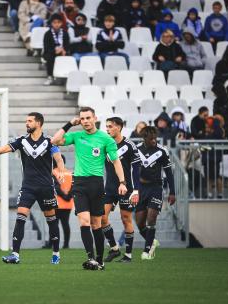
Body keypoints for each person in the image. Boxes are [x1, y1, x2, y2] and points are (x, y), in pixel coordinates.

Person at [0, 112, 65, 264]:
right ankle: (15, 254)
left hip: (46, 187)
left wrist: (61, 172)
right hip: (28, 187)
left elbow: (58, 159)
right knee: (21, 216)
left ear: (39, 123)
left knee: (51, 220)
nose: (26, 123)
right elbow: (2, 150)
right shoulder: (22, 141)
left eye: (30, 121)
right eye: (26, 121)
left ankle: (56, 253)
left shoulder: (50, 141)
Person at [52, 107, 128, 270]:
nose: (85, 121)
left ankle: (99, 260)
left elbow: (116, 162)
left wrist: (123, 182)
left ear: (95, 118)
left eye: (88, 118)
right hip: (79, 184)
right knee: (84, 221)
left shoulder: (106, 139)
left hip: (96, 184)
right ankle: (91, 258)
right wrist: (69, 124)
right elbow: (55, 141)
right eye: (82, 118)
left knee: (96, 224)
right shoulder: (77, 135)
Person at [102, 117, 140, 263]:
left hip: (127, 188)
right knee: (102, 218)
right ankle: (114, 248)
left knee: (126, 219)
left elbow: (136, 170)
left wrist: (136, 190)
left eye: (110, 126)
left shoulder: (130, 145)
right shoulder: (106, 144)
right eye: (106, 126)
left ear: (119, 127)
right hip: (109, 188)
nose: (107, 129)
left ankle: (128, 255)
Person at [135, 126, 175, 260]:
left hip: (156, 188)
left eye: (155, 138)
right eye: (151, 138)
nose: (154, 141)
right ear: (144, 138)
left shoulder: (162, 151)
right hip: (141, 188)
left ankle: (147, 252)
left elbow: (169, 173)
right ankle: (152, 241)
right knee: (140, 223)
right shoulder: (137, 149)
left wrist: (172, 192)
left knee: (151, 219)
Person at [201, 115, 225, 199]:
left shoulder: (217, 134)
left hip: (215, 159)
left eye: (208, 126)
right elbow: (203, 147)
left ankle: (220, 194)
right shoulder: (206, 136)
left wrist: (215, 120)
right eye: (206, 127)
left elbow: (207, 146)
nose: (206, 128)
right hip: (207, 159)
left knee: (217, 176)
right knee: (208, 177)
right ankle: (209, 193)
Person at [52, 155, 73, 249]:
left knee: (53, 224)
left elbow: (56, 187)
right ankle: (66, 244)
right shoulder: (69, 173)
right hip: (68, 203)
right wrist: (68, 197)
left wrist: (64, 196)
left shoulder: (54, 172)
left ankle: (52, 244)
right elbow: (74, 186)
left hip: (57, 203)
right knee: (65, 224)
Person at [43, 14, 70, 86]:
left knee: (68, 56)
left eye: (58, 22)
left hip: (62, 52)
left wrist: (64, 50)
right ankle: (50, 76)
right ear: (51, 23)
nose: (56, 24)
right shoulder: (47, 34)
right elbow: (46, 47)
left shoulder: (65, 33)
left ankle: (66, 78)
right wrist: (55, 50)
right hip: (50, 52)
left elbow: (67, 45)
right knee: (50, 57)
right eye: (54, 22)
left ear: (61, 23)